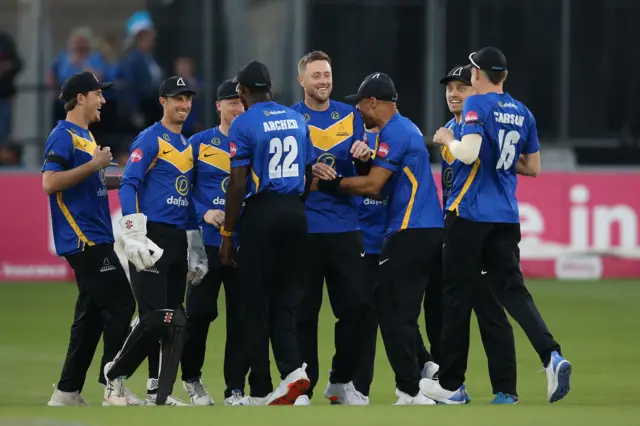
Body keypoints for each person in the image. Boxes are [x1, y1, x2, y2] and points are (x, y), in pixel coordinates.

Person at [420, 47, 571, 404]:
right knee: (512, 293)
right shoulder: (522, 112)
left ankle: (452, 385)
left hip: (469, 214)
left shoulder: (477, 106)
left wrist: (446, 140)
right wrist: (490, 155)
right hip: (506, 216)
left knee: (456, 297)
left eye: (470, 73)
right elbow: (533, 167)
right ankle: (552, 356)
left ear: (478, 74)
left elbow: (468, 154)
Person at [314, 72, 443, 405]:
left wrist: (331, 184)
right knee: (396, 308)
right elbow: (384, 180)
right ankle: (426, 372)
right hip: (422, 229)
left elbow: (373, 185)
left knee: (390, 311)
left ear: (373, 102)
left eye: (360, 104)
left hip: (409, 231)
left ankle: (410, 388)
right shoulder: (407, 128)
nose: (358, 112)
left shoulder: (395, 132)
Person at [103, 76, 209, 406]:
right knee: (152, 317)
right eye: (177, 98)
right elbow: (128, 184)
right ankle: (113, 377)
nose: (184, 105)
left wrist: (195, 246)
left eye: (188, 99)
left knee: (173, 319)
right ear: (163, 102)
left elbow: (189, 198)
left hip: (177, 238)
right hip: (151, 236)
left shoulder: (189, 146)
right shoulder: (150, 139)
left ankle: (156, 391)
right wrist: (133, 233)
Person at [42, 71, 141, 406]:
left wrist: (122, 177)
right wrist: (95, 164)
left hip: (95, 236)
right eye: (98, 94)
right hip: (83, 238)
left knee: (92, 314)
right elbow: (49, 183)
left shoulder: (85, 136)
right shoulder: (63, 135)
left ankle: (67, 391)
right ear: (81, 97)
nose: (103, 100)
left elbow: (91, 183)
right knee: (123, 302)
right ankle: (113, 385)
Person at [218, 60, 314, 406]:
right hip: (295, 212)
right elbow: (308, 172)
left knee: (254, 303)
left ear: (242, 92)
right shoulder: (296, 119)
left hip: (262, 213)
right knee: (287, 300)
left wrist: (228, 234)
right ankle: (293, 373)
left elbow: (239, 182)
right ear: (271, 87)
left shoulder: (244, 123)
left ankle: (260, 388)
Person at [290, 50, 372, 406]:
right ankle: (304, 387)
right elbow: (285, 178)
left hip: (344, 227)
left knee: (356, 306)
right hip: (304, 229)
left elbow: (364, 172)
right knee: (304, 312)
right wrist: (311, 176)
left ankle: (341, 382)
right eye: (316, 75)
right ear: (302, 81)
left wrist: (364, 157)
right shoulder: (291, 118)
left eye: (327, 74)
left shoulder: (351, 116)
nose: (323, 81)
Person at [438, 64, 518, 404]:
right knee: (457, 307)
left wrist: (448, 141)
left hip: (480, 224)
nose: (454, 93)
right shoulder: (450, 128)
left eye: (461, 87)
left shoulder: (474, 126)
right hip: (459, 222)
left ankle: (504, 389)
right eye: (449, 88)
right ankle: (454, 386)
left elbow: (471, 161)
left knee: (488, 307)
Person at [180, 79, 249, 406]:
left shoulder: (254, 142)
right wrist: (204, 212)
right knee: (199, 313)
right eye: (231, 101)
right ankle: (191, 378)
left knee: (241, 316)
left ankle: (235, 389)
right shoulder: (198, 143)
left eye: (241, 101)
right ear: (218, 106)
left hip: (243, 243)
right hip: (207, 244)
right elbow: (181, 192)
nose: (237, 107)